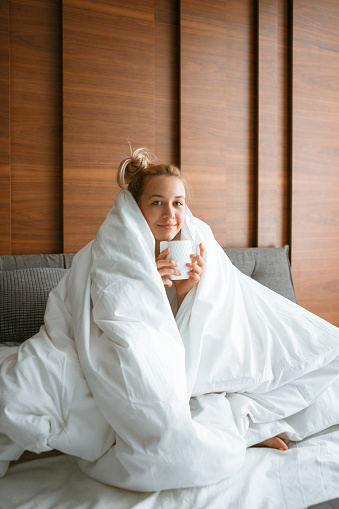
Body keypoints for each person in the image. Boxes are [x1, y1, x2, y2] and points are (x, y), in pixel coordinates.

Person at [116, 147, 289, 452]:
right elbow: (132, 332)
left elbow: (210, 326)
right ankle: (233, 431)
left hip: (208, 352)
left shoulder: (195, 241)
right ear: (137, 208)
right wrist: (148, 285)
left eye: (178, 203)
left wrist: (186, 292)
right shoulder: (120, 253)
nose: (170, 214)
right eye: (157, 203)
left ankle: (243, 425)